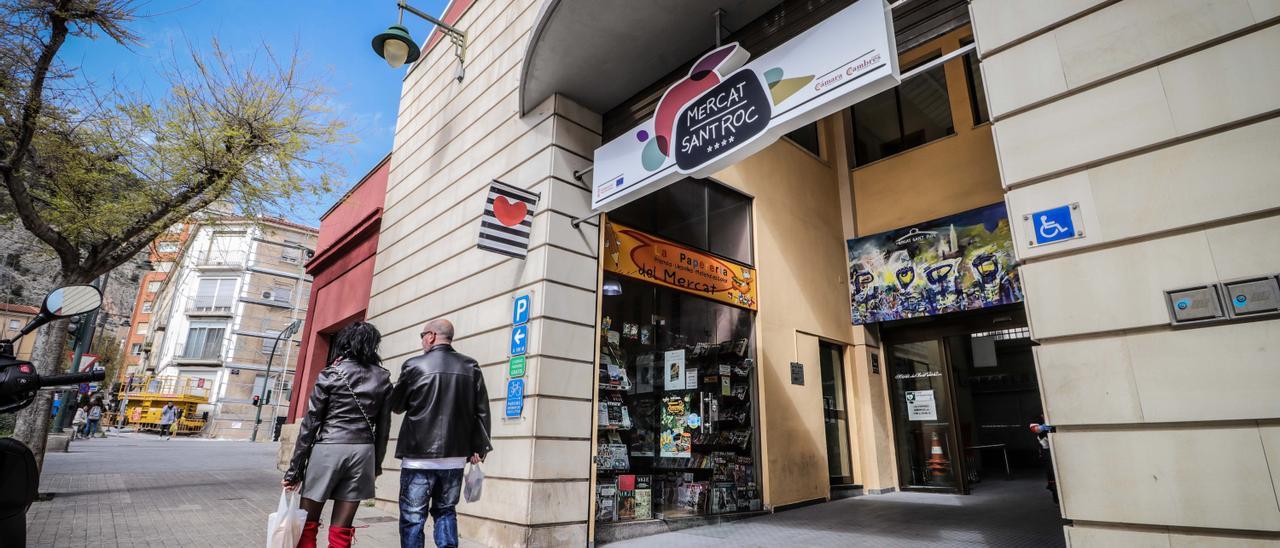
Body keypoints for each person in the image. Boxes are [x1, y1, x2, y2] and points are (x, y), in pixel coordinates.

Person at [283, 322, 393, 548]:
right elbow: (383, 429)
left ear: (345, 343)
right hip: (363, 452)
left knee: (308, 522)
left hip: (328, 450)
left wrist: (294, 470)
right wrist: (376, 465)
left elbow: (310, 424)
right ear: (373, 346)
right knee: (342, 528)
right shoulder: (383, 377)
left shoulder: (330, 374)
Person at [392, 318, 491, 548]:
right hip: (454, 459)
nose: (422, 341)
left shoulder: (413, 365)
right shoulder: (470, 366)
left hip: (418, 458)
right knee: (446, 512)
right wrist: (479, 447)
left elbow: (396, 405)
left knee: (412, 518)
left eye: (422, 336)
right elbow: (482, 410)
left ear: (431, 336)